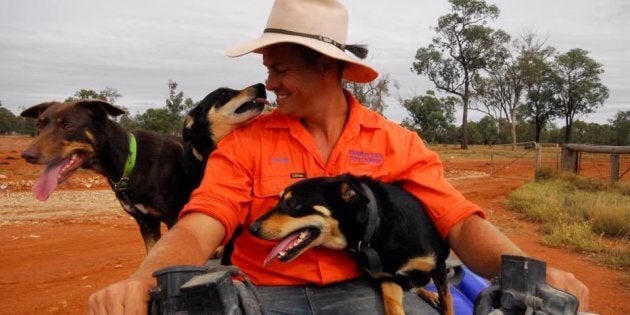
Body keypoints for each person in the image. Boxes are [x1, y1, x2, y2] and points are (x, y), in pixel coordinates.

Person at [88, 0, 589, 314]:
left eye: (280, 69)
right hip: (263, 297)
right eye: (268, 69)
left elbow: (457, 221)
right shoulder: (247, 143)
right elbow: (202, 222)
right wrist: (139, 281)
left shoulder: (397, 143)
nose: (271, 84)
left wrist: (530, 272)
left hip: (367, 295)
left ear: (326, 67)